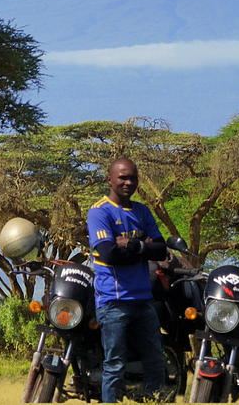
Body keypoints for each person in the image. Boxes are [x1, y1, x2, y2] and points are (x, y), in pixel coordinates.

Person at [88, 157, 187, 402]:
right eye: (123, 177)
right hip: (113, 301)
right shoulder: (99, 211)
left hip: (144, 300)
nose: (129, 182)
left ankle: (152, 399)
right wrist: (144, 248)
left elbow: (161, 250)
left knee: (155, 359)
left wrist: (131, 244)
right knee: (114, 365)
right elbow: (109, 254)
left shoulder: (142, 211)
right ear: (109, 179)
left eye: (133, 177)